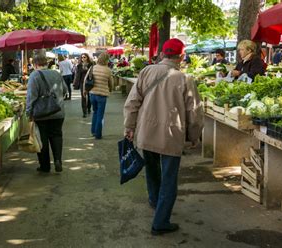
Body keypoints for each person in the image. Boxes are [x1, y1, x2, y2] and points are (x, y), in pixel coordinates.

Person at [124, 38, 204, 236]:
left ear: (162, 54)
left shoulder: (146, 72)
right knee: (169, 178)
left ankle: (154, 199)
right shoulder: (185, 79)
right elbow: (194, 112)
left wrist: (129, 127)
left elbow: (132, 102)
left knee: (152, 169)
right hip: (171, 135)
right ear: (181, 57)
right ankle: (160, 222)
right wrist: (194, 136)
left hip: (146, 131)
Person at [26, 50, 68, 173]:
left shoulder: (34, 76)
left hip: (41, 114)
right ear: (46, 63)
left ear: (35, 64)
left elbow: (31, 97)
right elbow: (65, 90)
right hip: (58, 111)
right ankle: (58, 160)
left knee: (42, 139)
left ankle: (45, 166)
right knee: (56, 135)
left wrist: (29, 113)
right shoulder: (56, 73)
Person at [87, 52, 112, 139]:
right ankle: (98, 134)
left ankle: (93, 131)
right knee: (100, 115)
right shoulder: (108, 70)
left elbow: (86, 79)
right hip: (102, 95)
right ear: (106, 60)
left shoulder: (93, 68)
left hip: (92, 94)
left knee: (95, 112)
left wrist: (85, 91)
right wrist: (110, 90)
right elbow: (111, 83)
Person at [73, 53, 93, 118]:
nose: (83, 59)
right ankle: (84, 112)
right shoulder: (79, 65)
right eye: (82, 57)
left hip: (89, 82)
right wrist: (76, 84)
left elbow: (93, 73)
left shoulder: (91, 65)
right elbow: (77, 75)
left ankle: (89, 108)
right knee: (83, 97)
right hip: (82, 83)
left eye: (84, 57)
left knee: (89, 97)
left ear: (87, 57)